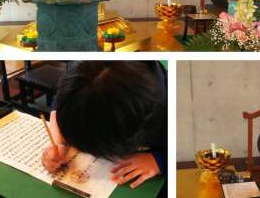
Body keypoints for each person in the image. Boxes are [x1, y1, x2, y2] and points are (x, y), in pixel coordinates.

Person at [41, 61, 167, 189]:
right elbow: (58, 105)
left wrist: (159, 161)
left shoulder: (171, 110)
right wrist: (59, 142)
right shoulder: (78, 77)